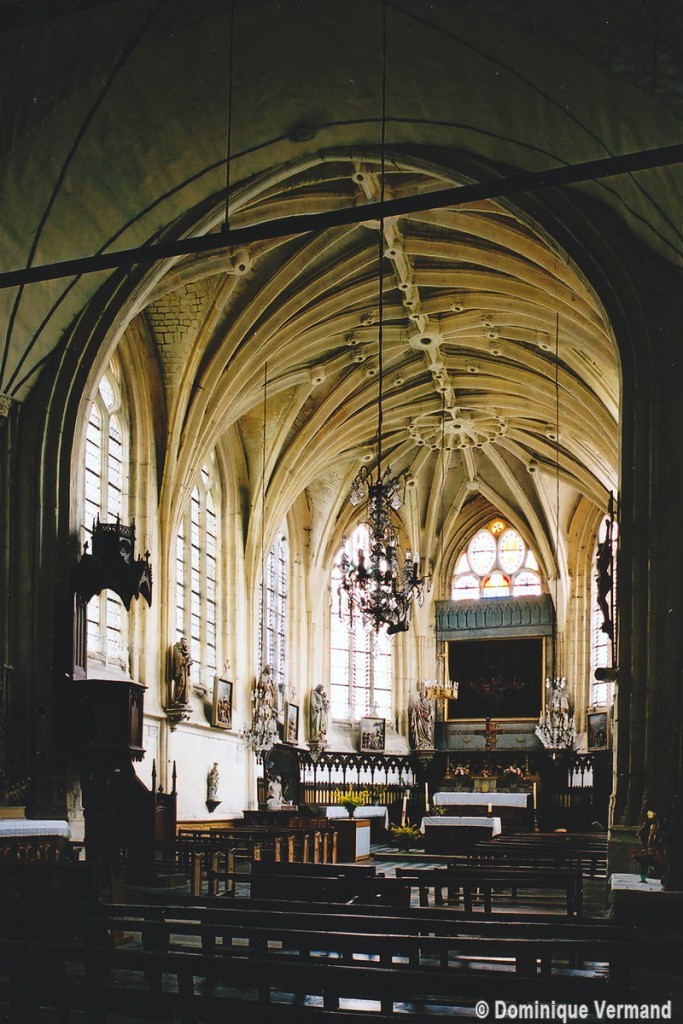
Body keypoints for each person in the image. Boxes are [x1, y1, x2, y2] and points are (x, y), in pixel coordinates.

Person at [170, 637, 192, 704]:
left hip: (184, 670)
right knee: (181, 683)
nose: (186, 644)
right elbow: (179, 659)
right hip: (179, 670)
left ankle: (182, 700)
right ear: (181, 642)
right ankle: (177, 699)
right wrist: (186, 659)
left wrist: (188, 660)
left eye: (186, 643)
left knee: (185, 685)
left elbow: (190, 660)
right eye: (184, 642)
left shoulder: (186, 650)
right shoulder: (176, 648)